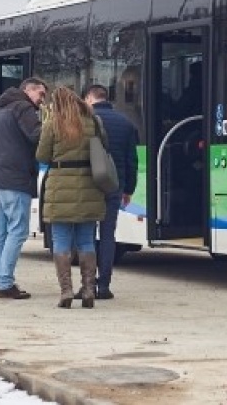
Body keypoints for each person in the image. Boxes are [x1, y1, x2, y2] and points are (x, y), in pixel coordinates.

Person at [36, 86, 107, 308]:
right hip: (89, 185)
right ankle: (88, 290)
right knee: (87, 239)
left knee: (61, 240)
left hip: (60, 186)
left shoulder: (53, 123)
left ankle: (66, 291)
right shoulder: (93, 121)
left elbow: (42, 155)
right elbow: (104, 147)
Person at [0, 77, 47, 299]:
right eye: (40, 94)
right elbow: (36, 134)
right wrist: (50, 124)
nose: (42, 100)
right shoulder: (23, 107)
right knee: (18, 231)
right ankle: (4, 282)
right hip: (15, 178)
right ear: (28, 90)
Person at [83, 83, 140, 300]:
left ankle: (87, 285)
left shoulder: (85, 121)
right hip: (114, 186)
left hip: (89, 186)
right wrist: (129, 189)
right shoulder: (126, 123)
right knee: (108, 235)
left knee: (87, 234)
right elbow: (131, 161)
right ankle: (104, 285)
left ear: (89, 98)